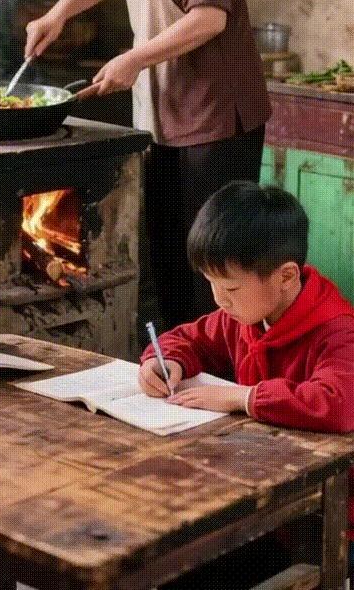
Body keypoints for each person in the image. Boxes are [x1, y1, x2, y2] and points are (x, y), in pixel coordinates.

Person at [25, 0, 271, 325]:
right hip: (162, 110)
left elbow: (211, 17)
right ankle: (183, 365)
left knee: (213, 264)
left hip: (213, 115)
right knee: (167, 257)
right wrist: (56, 16)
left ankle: (222, 377)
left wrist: (133, 58)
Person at [139, 182, 354, 584]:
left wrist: (241, 397)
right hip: (264, 501)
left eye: (231, 287)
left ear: (286, 276)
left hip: (327, 521)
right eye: (211, 283)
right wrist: (164, 361)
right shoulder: (247, 315)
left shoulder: (337, 331)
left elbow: (339, 403)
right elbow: (188, 338)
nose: (219, 299)